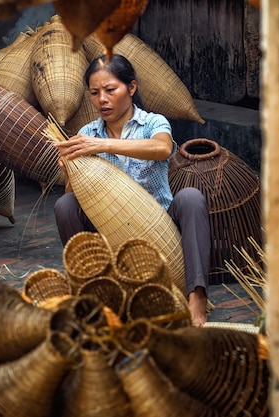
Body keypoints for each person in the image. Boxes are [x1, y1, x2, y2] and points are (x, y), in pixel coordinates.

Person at [52, 54, 210, 327]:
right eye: (94, 92)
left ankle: (197, 298)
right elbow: (73, 193)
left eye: (111, 90)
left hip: (161, 223)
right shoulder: (87, 132)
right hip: (110, 231)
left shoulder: (153, 123)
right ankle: (94, 298)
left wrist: (103, 146)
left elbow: (162, 148)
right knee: (65, 205)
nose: (102, 99)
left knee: (191, 198)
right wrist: (71, 174)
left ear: (132, 88)